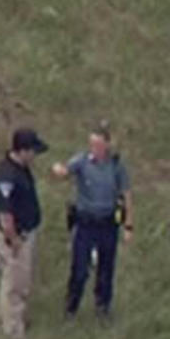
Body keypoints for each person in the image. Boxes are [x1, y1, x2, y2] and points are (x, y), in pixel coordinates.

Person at [51, 122, 133, 319]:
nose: (94, 150)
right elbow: (65, 171)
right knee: (79, 268)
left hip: (107, 223)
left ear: (107, 145)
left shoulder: (116, 167)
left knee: (106, 268)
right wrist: (59, 170)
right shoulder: (82, 162)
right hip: (86, 222)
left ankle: (103, 307)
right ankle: (71, 307)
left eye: (98, 145)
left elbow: (127, 195)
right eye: (91, 145)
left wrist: (129, 225)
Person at [0, 128, 49, 339]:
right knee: (13, 283)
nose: (35, 157)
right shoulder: (8, 176)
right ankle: (13, 330)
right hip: (15, 237)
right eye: (33, 151)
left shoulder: (19, 169)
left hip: (24, 234)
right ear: (22, 151)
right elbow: (5, 214)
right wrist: (13, 239)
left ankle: (18, 318)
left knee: (22, 280)